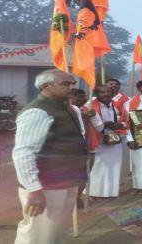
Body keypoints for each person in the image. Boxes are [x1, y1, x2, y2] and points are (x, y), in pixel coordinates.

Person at [12, 69, 88, 244]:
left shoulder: (68, 108)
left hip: (66, 181)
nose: (71, 88)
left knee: (57, 231)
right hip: (45, 185)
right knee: (38, 234)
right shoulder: (37, 111)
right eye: (65, 84)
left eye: (72, 84)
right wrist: (33, 189)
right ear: (46, 86)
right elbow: (24, 152)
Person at [85, 85, 127, 199]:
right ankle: (94, 193)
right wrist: (104, 124)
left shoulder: (117, 105)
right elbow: (95, 125)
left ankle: (110, 192)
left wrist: (119, 125)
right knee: (99, 167)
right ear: (97, 94)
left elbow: (126, 120)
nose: (106, 94)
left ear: (113, 93)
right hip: (98, 140)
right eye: (102, 92)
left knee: (114, 165)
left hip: (114, 139)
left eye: (108, 92)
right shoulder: (90, 106)